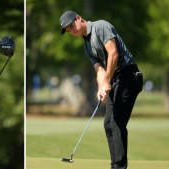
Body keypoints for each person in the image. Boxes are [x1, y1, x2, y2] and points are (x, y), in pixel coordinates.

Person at [59, 11, 143, 169]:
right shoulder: (86, 45)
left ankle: (119, 167)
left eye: (72, 26)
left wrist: (107, 81)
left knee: (117, 123)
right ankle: (114, 165)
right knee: (108, 124)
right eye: (69, 30)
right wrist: (101, 88)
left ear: (79, 18)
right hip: (115, 79)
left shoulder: (101, 26)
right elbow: (99, 70)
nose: (72, 30)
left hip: (130, 75)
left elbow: (114, 53)